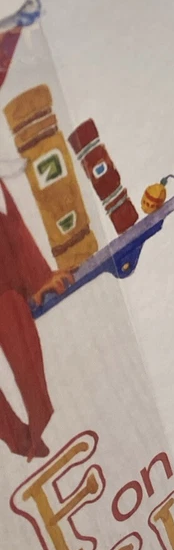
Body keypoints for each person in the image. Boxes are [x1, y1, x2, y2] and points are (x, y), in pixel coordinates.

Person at [0, 168, 73, 460]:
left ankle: (33, 430)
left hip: (5, 289)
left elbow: (13, 226)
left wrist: (38, 278)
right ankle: (20, 439)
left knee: (21, 347)